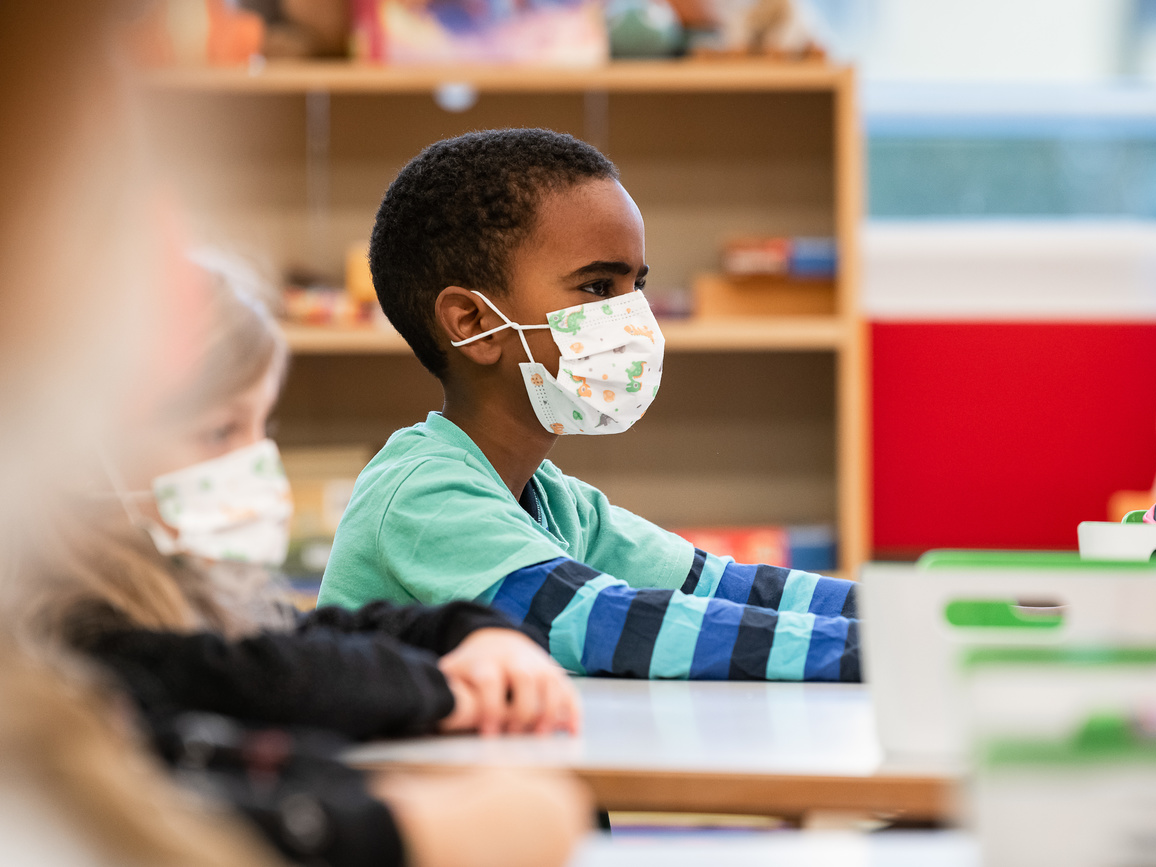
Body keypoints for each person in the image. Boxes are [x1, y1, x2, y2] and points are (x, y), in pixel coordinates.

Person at [16, 252, 590, 867]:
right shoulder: (68, 633)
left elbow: (307, 632)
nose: (255, 460)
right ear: (71, 458)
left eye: (261, 427)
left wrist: (468, 634)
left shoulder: (179, 590)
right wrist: (447, 689)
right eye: (219, 432)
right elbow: (260, 675)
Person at [320, 128, 860, 682]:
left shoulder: (557, 503)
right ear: (474, 324)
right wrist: (891, 651)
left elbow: (728, 588)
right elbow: (607, 626)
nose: (635, 320)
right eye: (599, 288)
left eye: (637, 286)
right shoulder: (420, 496)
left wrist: (897, 617)